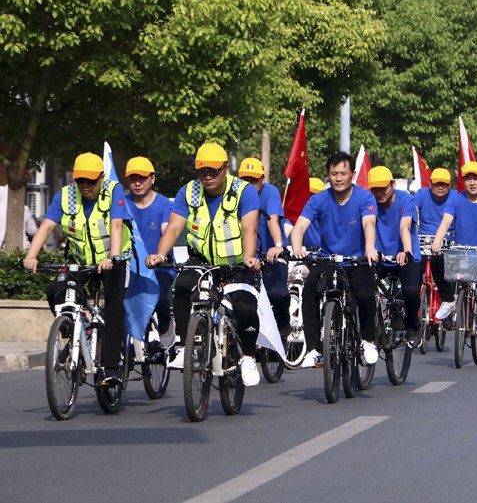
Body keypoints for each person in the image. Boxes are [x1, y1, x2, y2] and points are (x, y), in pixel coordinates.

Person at [146, 142, 262, 387]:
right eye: (202, 172)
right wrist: (159, 254)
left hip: (238, 263)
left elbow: (249, 228)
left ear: (226, 169)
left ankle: (248, 356)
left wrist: (250, 258)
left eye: (213, 171)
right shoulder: (188, 192)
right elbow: (175, 226)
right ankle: (183, 345)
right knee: (183, 286)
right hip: (202, 261)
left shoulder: (244, 191)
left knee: (244, 308)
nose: (207, 177)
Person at [24, 152, 132, 386]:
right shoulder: (65, 196)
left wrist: (112, 257)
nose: (85, 186)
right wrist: (31, 256)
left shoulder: (113, 191)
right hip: (79, 260)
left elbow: (116, 225)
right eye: (80, 180)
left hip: (114, 259)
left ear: (101, 177)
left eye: (90, 181)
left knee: (113, 306)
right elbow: (46, 227)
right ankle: (74, 331)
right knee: (56, 291)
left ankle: (111, 367)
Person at [290, 151, 379, 369]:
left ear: (352, 174)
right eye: (334, 174)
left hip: (357, 259)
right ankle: (313, 349)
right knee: (309, 290)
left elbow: (369, 224)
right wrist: (296, 248)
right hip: (328, 260)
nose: (338, 178)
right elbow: (299, 227)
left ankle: (368, 341)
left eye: (343, 173)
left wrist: (369, 248)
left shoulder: (364, 197)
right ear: (328, 176)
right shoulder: (318, 199)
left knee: (365, 294)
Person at [431, 161, 477, 358]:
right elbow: (446, 221)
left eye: (475, 178)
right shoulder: (456, 199)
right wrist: (437, 242)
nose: (472, 182)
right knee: (436, 261)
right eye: (468, 178)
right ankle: (450, 301)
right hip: (462, 258)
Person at [367, 166, 422, 347]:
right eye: (375, 189)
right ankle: (368, 331)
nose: (380, 193)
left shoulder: (406, 199)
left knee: (411, 291)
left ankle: (413, 326)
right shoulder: (369, 202)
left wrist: (406, 251)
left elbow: (404, 227)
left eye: (384, 188)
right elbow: (369, 224)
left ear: (392, 184)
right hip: (380, 256)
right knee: (361, 287)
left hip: (404, 257)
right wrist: (371, 250)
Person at [124, 156, 175, 350]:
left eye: (142, 178)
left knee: (158, 296)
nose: (137, 183)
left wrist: (159, 255)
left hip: (160, 266)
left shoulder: (164, 205)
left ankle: (165, 324)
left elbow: (167, 231)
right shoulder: (123, 204)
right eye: (132, 178)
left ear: (152, 178)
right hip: (131, 265)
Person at [237, 158, 291, 336]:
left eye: (253, 180)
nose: (249, 185)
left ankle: (283, 324)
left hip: (270, 254)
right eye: (245, 180)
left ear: (262, 179)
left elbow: (272, 219)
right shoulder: (233, 194)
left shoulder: (270, 192)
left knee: (277, 294)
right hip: (245, 256)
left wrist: (277, 246)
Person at [415, 167, 456, 320]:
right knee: (413, 269)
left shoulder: (455, 198)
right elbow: (412, 209)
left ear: (449, 185)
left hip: (447, 243)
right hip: (423, 243)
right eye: (437, 184)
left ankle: (448, 301)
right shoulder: (421, 194)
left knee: (443, 268)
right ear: (430, 184)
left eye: (444, 184)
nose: (440, 187)